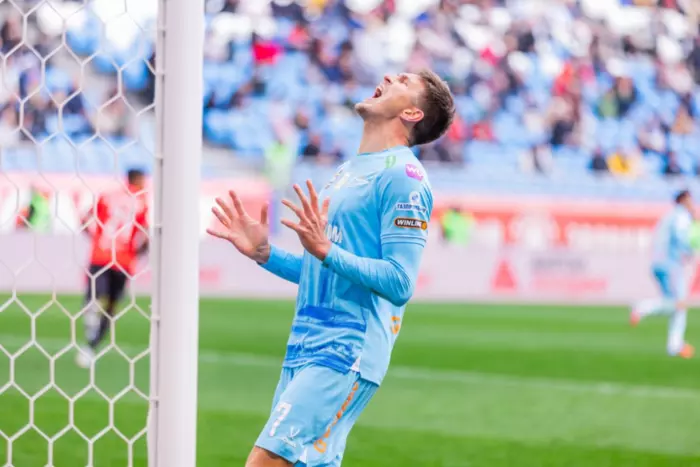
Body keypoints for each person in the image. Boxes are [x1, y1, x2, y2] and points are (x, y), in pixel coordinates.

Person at [208, 70, 455, 467]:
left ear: (412, 113)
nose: (389, 76)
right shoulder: (347, 171)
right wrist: (266, 254)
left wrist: (326, 251)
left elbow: (400, 281)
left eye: (404, 81)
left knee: (266, 461)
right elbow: (321, 268)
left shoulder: (404, 177)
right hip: (306, 343)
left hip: (347, 348)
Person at [76, 169, 149, 368]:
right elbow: (145, 234)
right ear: (137, 180)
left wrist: (95, 238)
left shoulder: (107, 196)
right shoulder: (142, 202)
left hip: (101, 254)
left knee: (95, 294)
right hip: (123, 260)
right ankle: (91, 346)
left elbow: (84, 218)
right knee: (110, 307)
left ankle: (90, 317)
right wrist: (139, 251)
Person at [631, 190, 695, 358]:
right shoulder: (681, 216)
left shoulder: (668, 216)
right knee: (679, 304)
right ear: (683, 201)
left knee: (673, 304)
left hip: (658, 263)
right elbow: (681, 238)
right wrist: (690, 249)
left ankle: (674, 344)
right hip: (671, 264)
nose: (693, 204)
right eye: (690, 200)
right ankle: (643, 308)